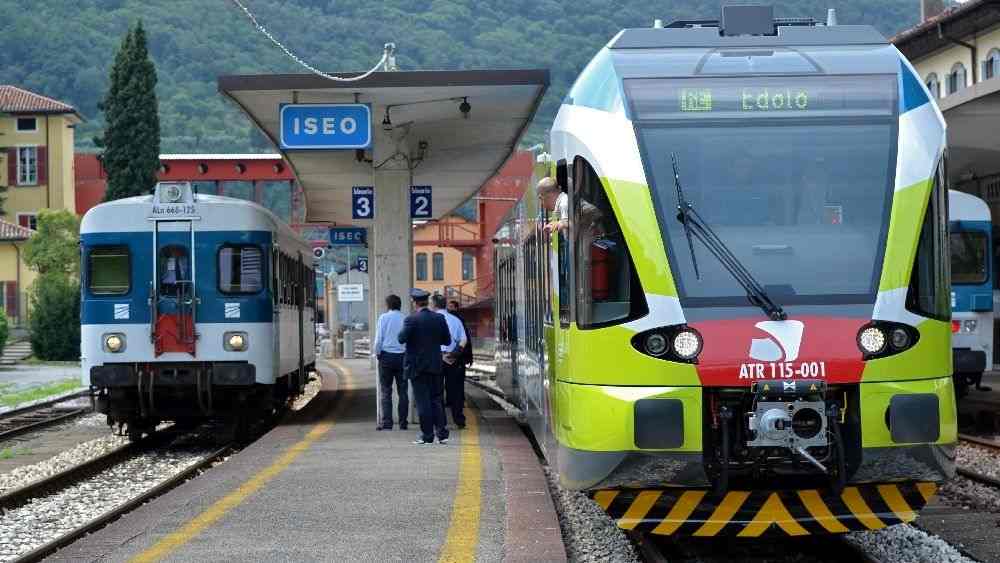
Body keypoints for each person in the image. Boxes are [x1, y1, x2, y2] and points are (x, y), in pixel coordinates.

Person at [398, 288, 452, 445]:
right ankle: (442, 434)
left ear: (415, 303)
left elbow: (401, 339)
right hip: (435, 365)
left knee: (423, 402)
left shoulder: (411, 320)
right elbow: (447, 341)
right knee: (436, 400)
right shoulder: (439, 318)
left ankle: (427, 435)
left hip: (417, 368)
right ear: (427, 302)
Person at [373, 294, 407, 431]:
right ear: (400, 305)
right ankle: (403, 423)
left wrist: (377, 354)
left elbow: (378, 339)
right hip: (403, 357)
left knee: (386, 391)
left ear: (388, 305)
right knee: (403, 392)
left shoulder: (383, 318)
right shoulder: (405, 318)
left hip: (386, 357)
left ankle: (387, 422)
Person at [434, 296, 469, 428]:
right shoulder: (456, 320)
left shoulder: (433, 319)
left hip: (436, 358)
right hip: (452, 359)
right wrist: (453, 354)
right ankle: (459, 420)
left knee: (437, 391)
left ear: (434, 305)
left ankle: (440, 421)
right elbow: (463, 340)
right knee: (455, 391)